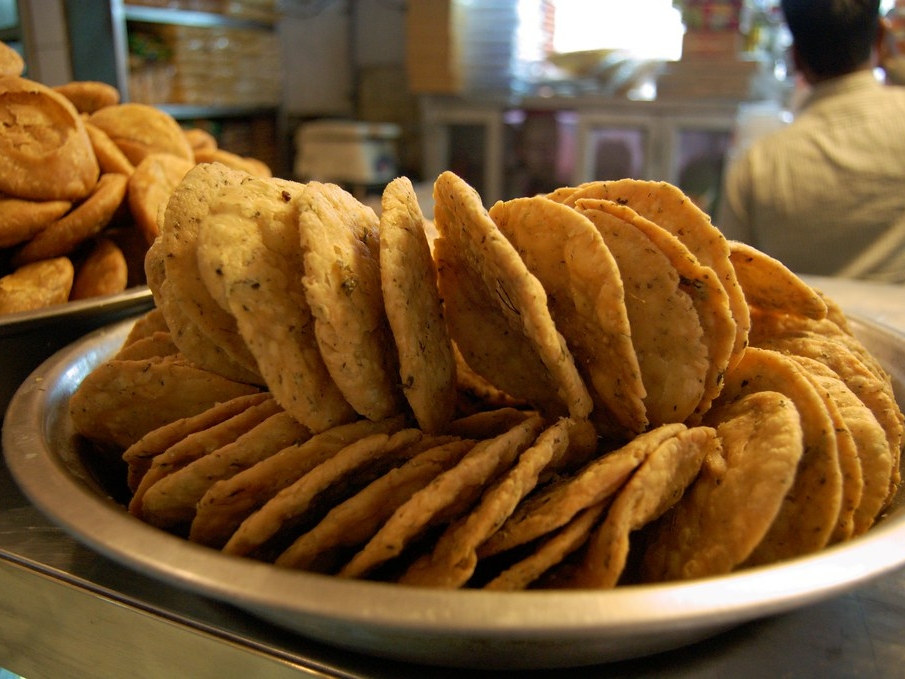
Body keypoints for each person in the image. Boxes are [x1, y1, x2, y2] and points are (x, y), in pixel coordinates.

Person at [717, 0, 905, 283]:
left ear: (795, 58)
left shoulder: (758, 164)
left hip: (803, 325)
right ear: (880, 36)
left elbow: (729, 275)